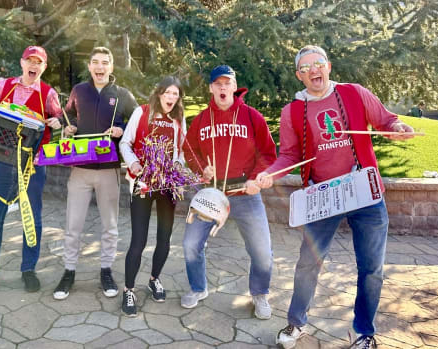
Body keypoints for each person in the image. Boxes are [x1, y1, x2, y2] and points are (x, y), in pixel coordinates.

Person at [255, 45, 415, 349]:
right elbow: (288, 154)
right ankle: (296, 323)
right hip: (323, 196)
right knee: (307, 263)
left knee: (371, 267)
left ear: (328, 66)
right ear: (299, 75)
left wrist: (397, 127)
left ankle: (363, 331)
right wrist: (269, 174)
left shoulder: (354, 93)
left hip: (365, 192)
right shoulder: (293, 111)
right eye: (306, 67)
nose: (314, 70)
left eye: (318, 63)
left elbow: (385, 120)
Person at [0, 45, 63, 293]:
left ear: (44, 67)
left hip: (32, 165)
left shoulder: (48, 94)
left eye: (38, 62)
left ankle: (28, 269)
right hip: (3, 162)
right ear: (22, 63)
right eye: (30, 60)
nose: (34, 65)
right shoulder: (5, 86)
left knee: (32, 219)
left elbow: (62, 122)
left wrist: (58, 121)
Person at [180, 65, 277, 319]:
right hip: (211, 193)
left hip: (245, 192)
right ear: (211, 88)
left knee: (262, 251)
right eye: (218, 84)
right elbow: (188, 150)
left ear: (235, 87)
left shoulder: (252, 116)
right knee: (190, 245)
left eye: (227, 83)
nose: (223, 88)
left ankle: (259, 294)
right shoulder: (201, 120)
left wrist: (257, 178)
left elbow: (268, 153)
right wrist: (202, 169)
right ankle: (198, 288)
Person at [54, 46, 138, 300]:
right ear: (89, 66)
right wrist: (69, 127)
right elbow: (69, 114)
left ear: (111, 67)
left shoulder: (122, 95)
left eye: (104, 62)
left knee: (110, 225)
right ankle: (69, 271)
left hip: (108, 169)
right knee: (73, 225)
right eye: (95, 62)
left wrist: (121, 128)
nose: (99, 67)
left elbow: (137, 122)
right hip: (79, 168)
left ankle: (106, 270)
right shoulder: (79, 90)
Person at [118, 76, 186, 316]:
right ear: (159, 94)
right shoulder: (142, 112)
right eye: (167, 93)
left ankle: (154, 278)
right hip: (144, 184)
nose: (171, 98)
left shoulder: (178, 119)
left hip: (167, 186)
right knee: (138, 240)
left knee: (165, 239)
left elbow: (181, 150)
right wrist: (134, 163)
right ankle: (128, 290)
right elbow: (125, 143)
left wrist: (177, 167)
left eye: (175, 94)